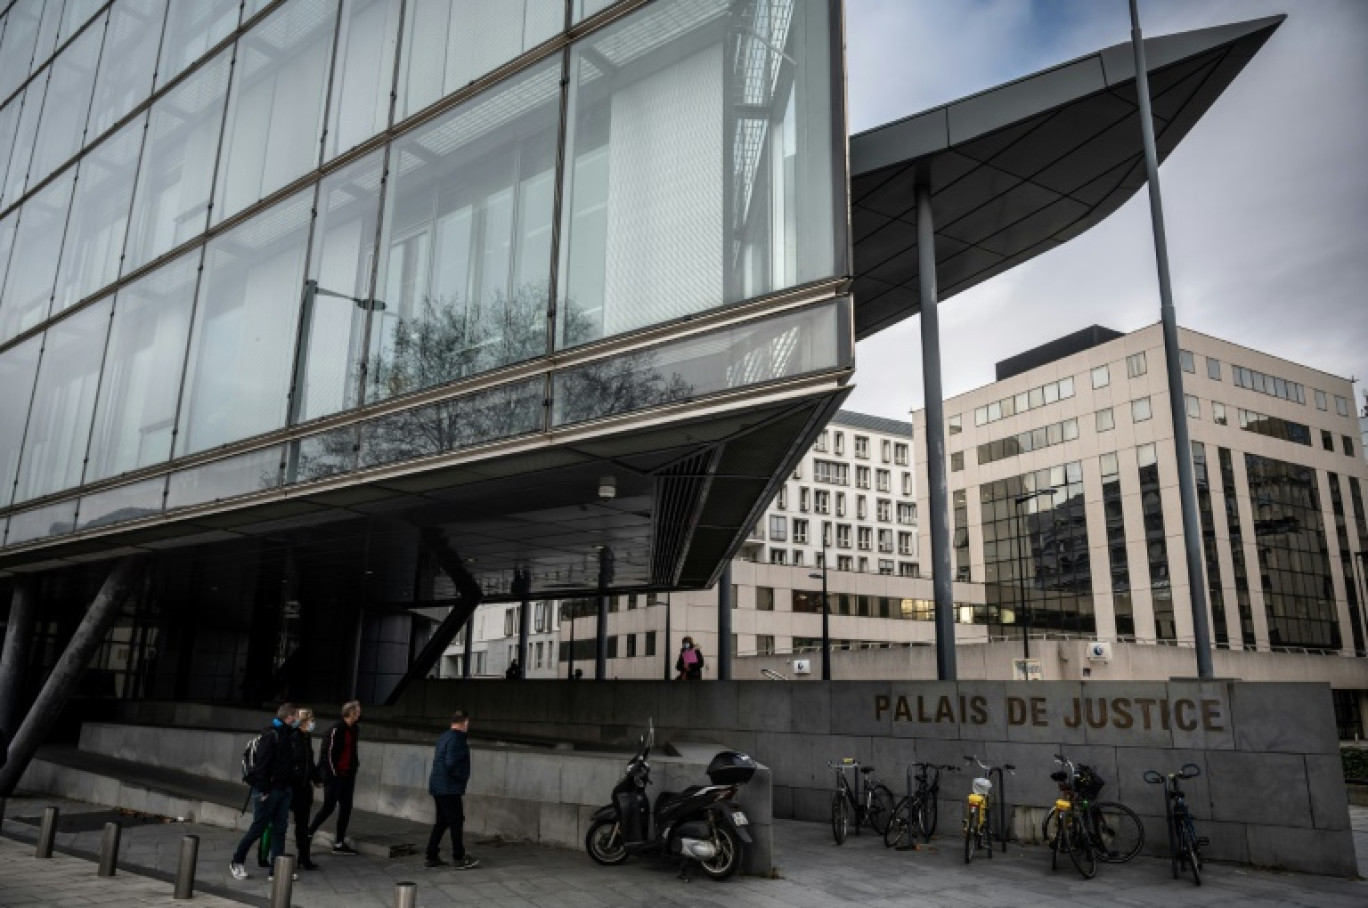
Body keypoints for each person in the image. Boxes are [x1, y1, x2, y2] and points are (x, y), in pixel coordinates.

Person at [230, 703, 302, 882]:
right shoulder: (272, 735)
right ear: (288, 718)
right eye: (296, 717)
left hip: (284, 790)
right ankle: (236, 861)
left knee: (280, 829)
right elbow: (262, 766)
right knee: (258, 828)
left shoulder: (287, 735)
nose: (297, 720)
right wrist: (264, 791)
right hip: (268, 791)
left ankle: (276, 869)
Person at [425, 709, 479, 870]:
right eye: (468, 723)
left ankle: (432, 855)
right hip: (449, 788)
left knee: (442, 821)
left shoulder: (444, 736)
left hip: (439, 786)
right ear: (465, 723)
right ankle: (459, 857)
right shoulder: (457, 739)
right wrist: (462, 777)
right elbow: (451, 763)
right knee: (456, 820)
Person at [309, 701, 362, 855]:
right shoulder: (335, 729)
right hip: (335, 776)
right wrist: (333, 775)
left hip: (348, 776)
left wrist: (353, 767)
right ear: (351, 713)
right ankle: (309, 832)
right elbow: (327, 755)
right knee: (328, 808)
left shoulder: (354, 729)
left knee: (346, 809)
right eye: (358, 711)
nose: (360, 714)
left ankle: (339, 843)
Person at [291, 708, 322, 870]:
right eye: (311, 720)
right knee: (279, 824)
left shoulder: (306, 737)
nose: (313, 723)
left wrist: (316, 778)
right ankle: (272, 858)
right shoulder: (293, 737)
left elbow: (309, 762)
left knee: (302, 825)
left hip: (304, 788)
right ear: (303, 722)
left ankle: (304, 857)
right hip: (292, 788)